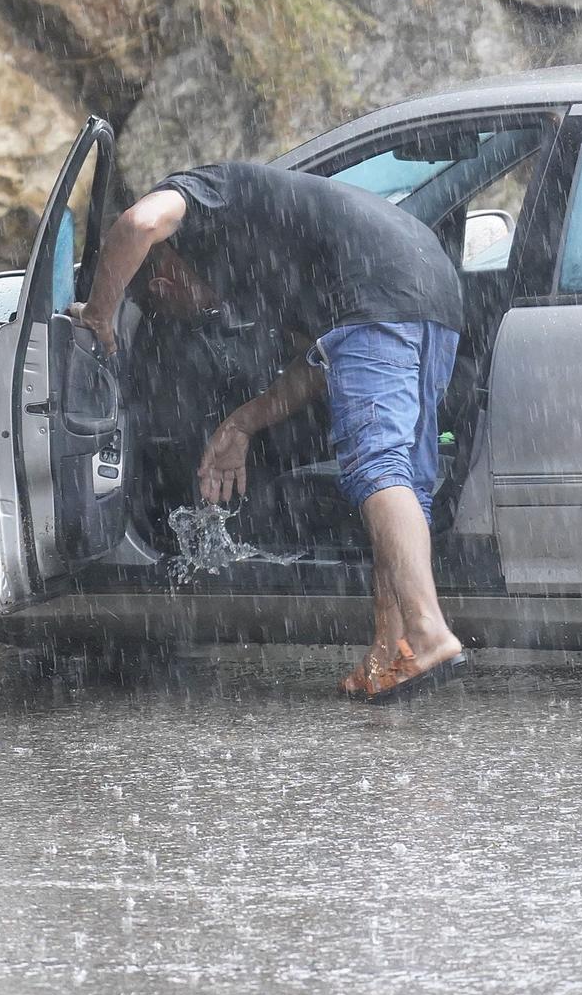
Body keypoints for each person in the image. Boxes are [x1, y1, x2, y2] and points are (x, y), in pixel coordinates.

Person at [74, 162, 470, 704]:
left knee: (376, 466)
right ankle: (389, 651)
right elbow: (317, 367)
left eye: (167, 306)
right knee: (404, 481)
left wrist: (99, 316)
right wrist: (242, 424)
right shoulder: (266, 265)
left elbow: (137, 225)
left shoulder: (203, 194)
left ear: (162, 279)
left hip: (374, 294)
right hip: (429, 290)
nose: (200, 315)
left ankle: (428, 632)